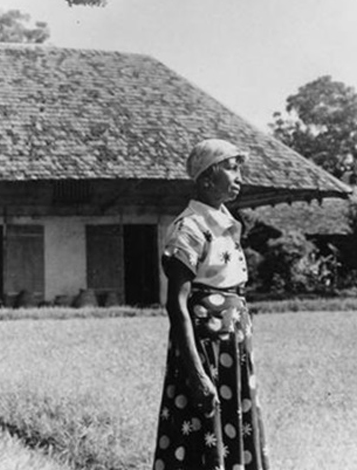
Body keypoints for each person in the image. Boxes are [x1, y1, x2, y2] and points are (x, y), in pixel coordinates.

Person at [152, 139, 269, 470]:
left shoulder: (227, 226)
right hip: (205, 353)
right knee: (203, 431)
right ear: (206, 179)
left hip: (232, 351)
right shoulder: (189, 228)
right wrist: (197, 373)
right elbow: (177, 305)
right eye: (232, 168)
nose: (239, 176)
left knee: (235, 429)